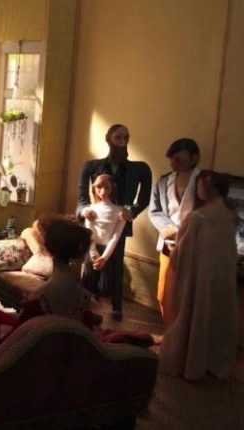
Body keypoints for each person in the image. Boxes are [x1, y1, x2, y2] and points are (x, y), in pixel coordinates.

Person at [0, 216, 98, 355]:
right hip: (64, 353)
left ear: (47, 248)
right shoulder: (84, 296)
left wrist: (6, 330)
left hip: (33, 354)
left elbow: (17, 340)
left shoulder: (41, 297)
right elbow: (87, 336)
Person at [159, 171, 239, 380]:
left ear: (209, 189)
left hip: (198, 277)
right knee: (215, 316)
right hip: (222, 277)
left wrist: (174, 253)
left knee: (193, 314)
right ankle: (212, 363)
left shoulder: (197, 218)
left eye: (200, 186)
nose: (198, 190)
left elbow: (181, 254)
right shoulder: (229, 216)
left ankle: (190, 362)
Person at [76, 124, 152, 320]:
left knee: (115, 264)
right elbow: (81, 198)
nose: (123, 141)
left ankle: (116, 306)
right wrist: (84, 210)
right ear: (109, 138)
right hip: (95, 221)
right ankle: (84, 302)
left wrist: (130, 211)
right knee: (90, 262)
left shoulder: (140, 169)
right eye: (118, 137)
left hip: (119, 221)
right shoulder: (91, 166)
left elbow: (143, 199)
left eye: (126, 137)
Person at [148, 138, 201, 317]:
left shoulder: (203, 181)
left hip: (194, 246)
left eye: (179, 160)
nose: (173, 163)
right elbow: (154, 210)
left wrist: (185, 232)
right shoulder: (163, 182)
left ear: (194, 158)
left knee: (187, 295)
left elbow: (209, 212)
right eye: (171, 159)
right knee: (164, 293)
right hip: (169, 244)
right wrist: (168, 228)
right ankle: (168, 329)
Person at [81, 174, 126, 304]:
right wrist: (94, 254)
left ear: (112, 189)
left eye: (107, 187)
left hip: (108, 252)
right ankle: (84, 310)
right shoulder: (90, 210)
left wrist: (104, 258)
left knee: (103, 289)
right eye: (99, 187)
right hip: (92, 250)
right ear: (94, 188)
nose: (103, 191)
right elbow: (89, 232)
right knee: (88, 285)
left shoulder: (120, 211)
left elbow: (115, 237)